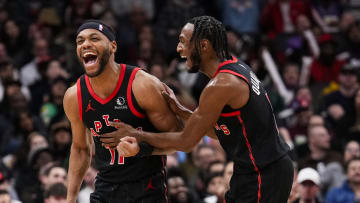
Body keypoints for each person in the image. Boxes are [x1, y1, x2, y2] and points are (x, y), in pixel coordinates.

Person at [103, 16, 294, 203]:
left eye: (183, 42)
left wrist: (136, 134)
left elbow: (186, 142)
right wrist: (183, 112)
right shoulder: (235, 65)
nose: (179, 49)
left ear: (203, 46)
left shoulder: (221, 85)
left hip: (264, 172)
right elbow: (221, 131)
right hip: (256, 169)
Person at [63, 20, 181, 203]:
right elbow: (80, 149)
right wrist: (70, 200)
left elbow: (179, 139)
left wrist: (140, 148)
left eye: (94, 38)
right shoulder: (74, 96)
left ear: (113, 46)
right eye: (80, 41)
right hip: (105, 188)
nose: (86, 44)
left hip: (147, 188)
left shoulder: (142, 85)